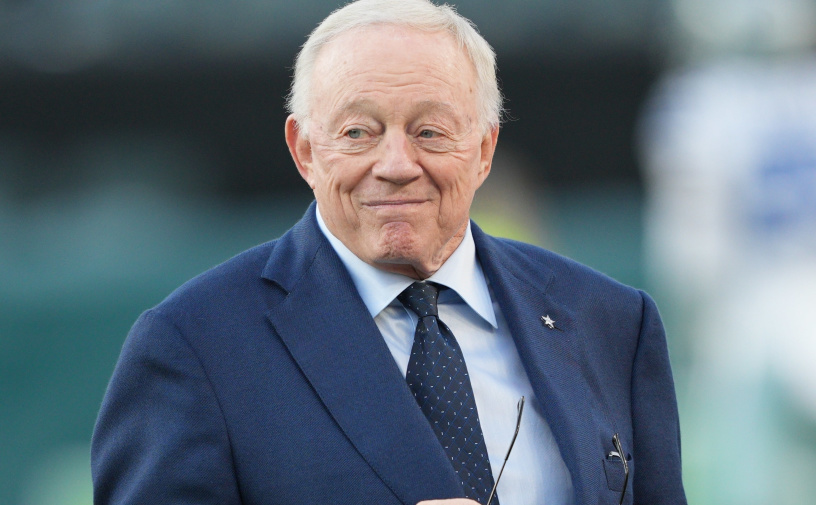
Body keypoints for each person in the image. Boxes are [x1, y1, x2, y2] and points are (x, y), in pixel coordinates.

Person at [91, 1, 687, 504]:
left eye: (430, 131)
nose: (397, 165)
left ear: (484, 149)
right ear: (304, 151)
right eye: (359, 133)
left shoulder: (612, 322)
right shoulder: (195, 345)